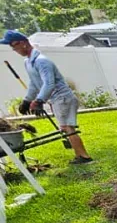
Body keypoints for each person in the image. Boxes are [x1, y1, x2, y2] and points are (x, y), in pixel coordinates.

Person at [1, 30, 93, 164]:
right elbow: (34, 83)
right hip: (56, 99)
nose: (14, 49)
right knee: (65, 127)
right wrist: (27, 101)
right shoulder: (28, 62)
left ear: (24, 43)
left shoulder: (42, 61)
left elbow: (49, 83)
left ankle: (84, 156)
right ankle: (79, 155)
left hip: (63, 97)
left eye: (14, 45)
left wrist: (39, 101)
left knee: (68, 127)